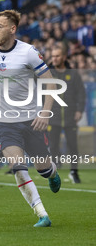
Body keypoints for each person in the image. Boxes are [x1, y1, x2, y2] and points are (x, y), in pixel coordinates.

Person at [0, 10, 61, 227]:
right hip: (4, 122)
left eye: (0, 26)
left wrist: (45, 112)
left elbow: (51, 83)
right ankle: (42, 214)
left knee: (43, 169)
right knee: (18, 167)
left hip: (32, 120)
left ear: (12, 29)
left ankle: (52, 173)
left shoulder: (28, 53)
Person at [49, 45, 86, 183]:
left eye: (57, 56)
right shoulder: (48, 73)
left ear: (64, 57)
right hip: (53, 116)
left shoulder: (74, 74)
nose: (54, 59)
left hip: (70, 116)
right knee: (53, 145)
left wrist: (79, 110)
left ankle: (74, 171)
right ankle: (54, 173)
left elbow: (81, 94)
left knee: (72, 145)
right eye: (53, 56)